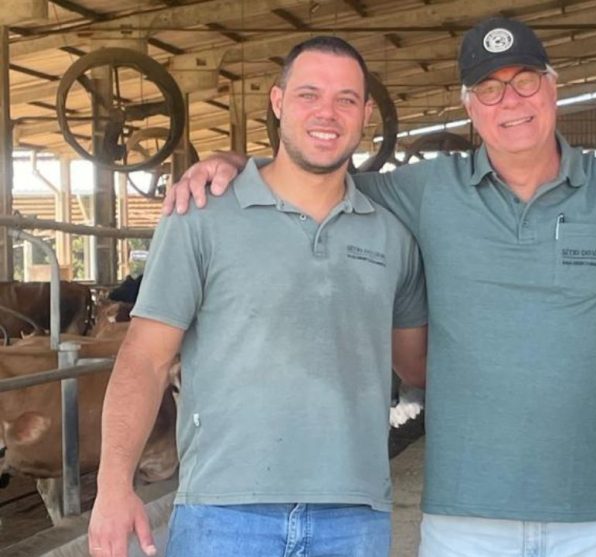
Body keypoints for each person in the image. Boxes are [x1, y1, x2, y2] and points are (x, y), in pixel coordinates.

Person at [164, 17, 596, 557]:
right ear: (469, 104)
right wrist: (231, 161)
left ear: (554, 88)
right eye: (489, 88)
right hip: (463, 516)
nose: (511, 101)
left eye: (526, 81)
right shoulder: (422, 192)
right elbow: (313, 171)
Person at [87, 37, 428, 557]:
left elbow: (417, 365)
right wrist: (113, 487)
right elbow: (145, 358)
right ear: (277, 102)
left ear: (364, 115)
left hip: (354, 517)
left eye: (346, 99)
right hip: (223, 515)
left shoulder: (391, 236)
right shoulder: (200, 216)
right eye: (309, 94)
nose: (327, 113)